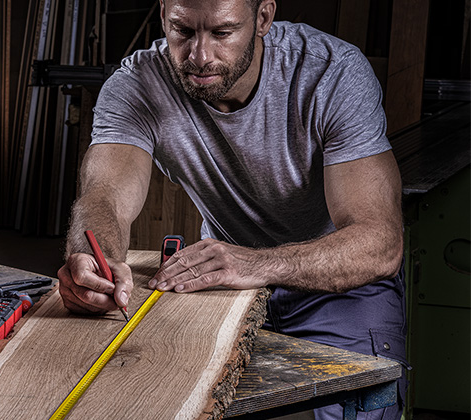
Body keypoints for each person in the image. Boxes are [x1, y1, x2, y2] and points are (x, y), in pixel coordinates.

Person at [57, 0, 409, 418]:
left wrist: (256, 264)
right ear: (163, 14)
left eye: (222, 33)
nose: (199, 56)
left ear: (262, 18)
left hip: (339, 280)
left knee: (360, 405)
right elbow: (104, 197)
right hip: (223, 277)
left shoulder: (331, 73)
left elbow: (380, 243)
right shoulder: (137, 84)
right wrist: (95, 262)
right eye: (182, 31)